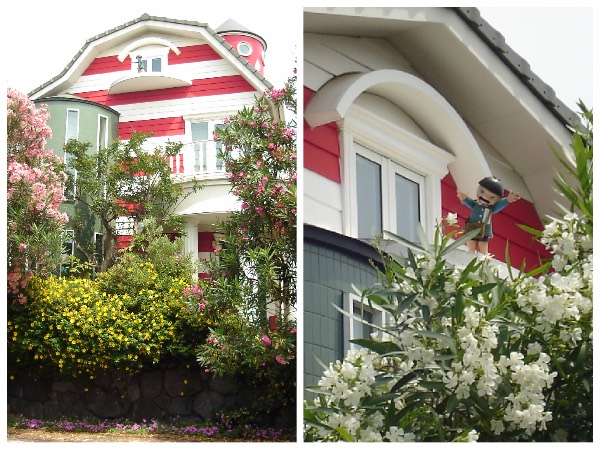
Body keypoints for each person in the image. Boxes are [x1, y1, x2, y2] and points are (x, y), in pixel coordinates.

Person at [457, 176, 521, 254]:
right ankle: (470, 254)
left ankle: (484, 257)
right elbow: (470, 203)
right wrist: (464, 198)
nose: (484, 197)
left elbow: (499, 206)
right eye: (482, 192)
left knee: (483, 245)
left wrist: (507, 200)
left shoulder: (491, 209)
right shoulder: (476, 205)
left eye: (492, 197)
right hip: (472, 227)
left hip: (484, 230)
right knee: (471, 242)